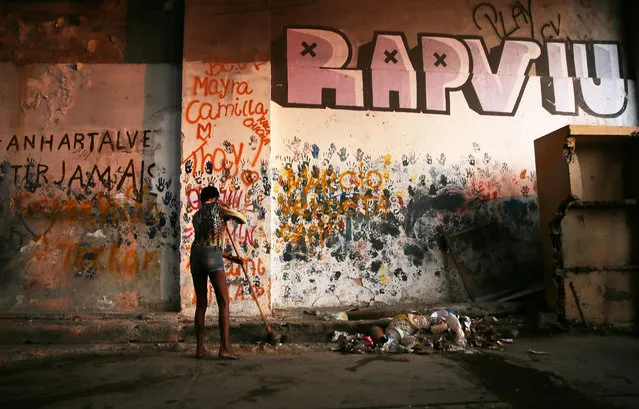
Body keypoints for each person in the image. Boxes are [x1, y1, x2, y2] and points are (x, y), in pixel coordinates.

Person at [190, 186, 243, 359]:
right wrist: (227, 211)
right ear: (215, 197)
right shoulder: (219, 209)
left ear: (202, 198)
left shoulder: (196, 216)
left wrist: (231, 258)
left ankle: (200, 349)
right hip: (211, 254)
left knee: (201, 304)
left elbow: (206, 242)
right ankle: (225, 348)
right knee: (223, 301)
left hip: (196, 255)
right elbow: (241, 219)